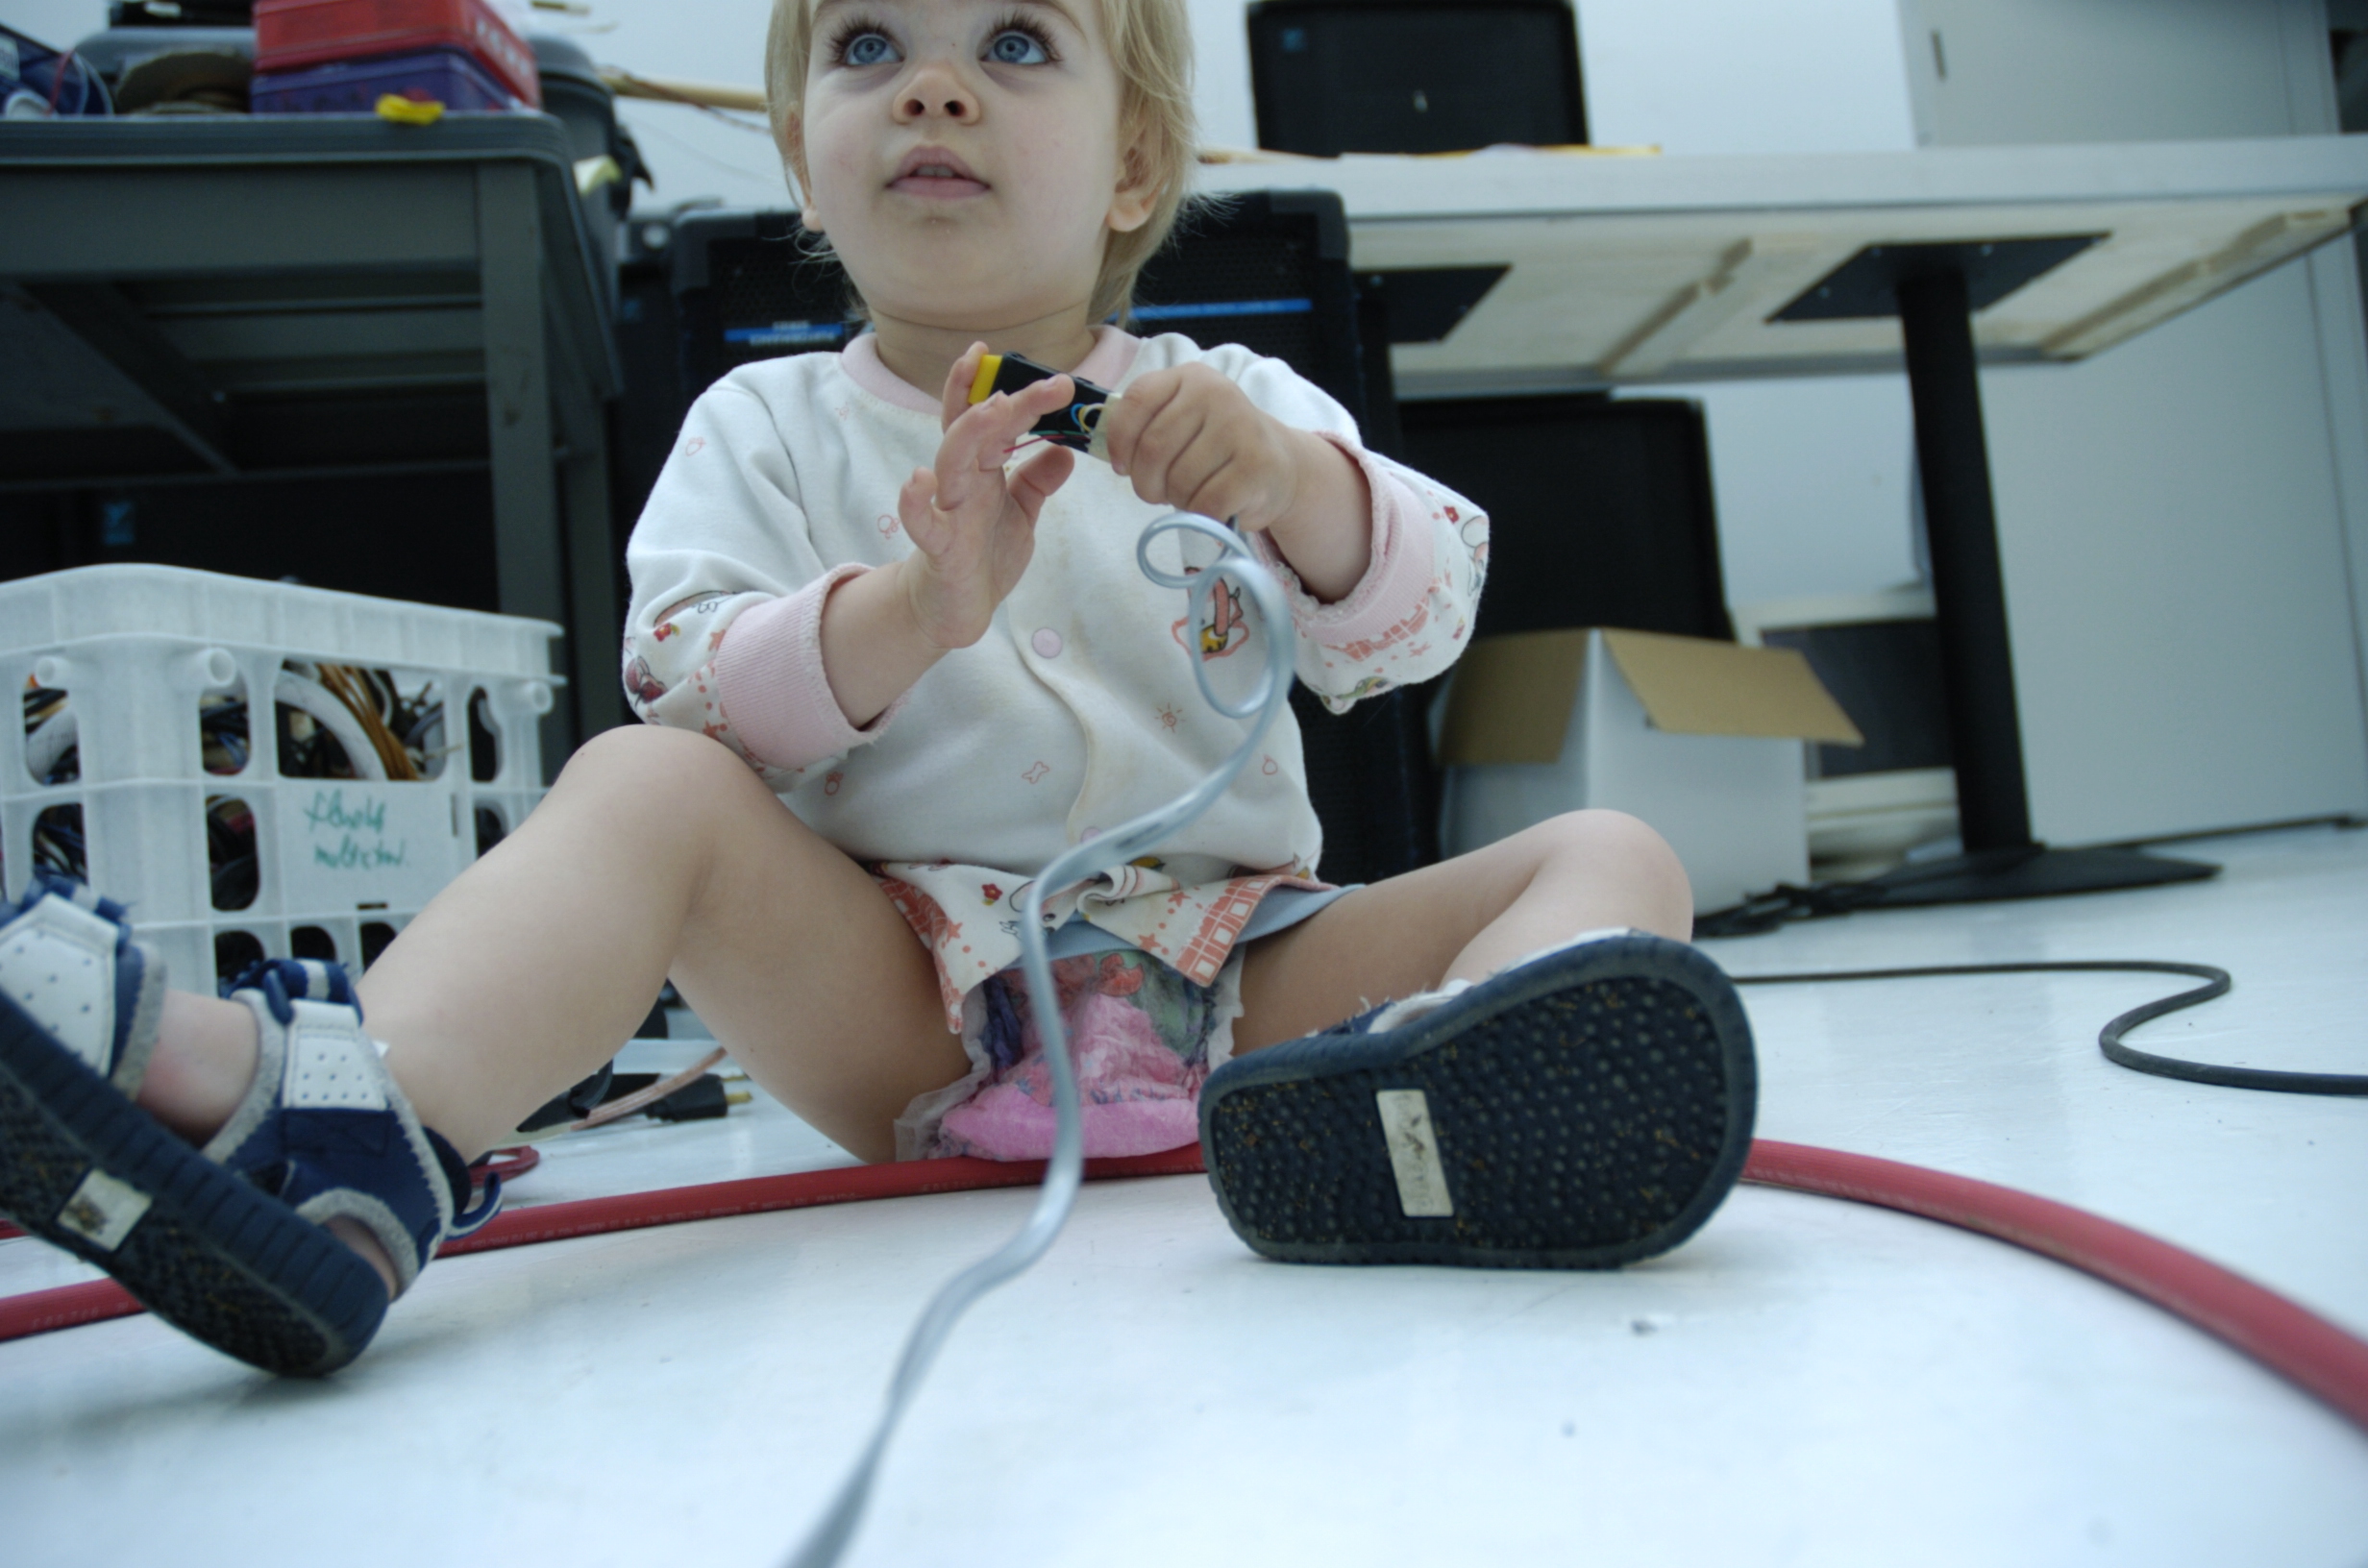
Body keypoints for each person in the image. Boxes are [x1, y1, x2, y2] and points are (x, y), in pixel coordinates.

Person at [0, 0, 1754, 1377]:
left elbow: (1419, 619)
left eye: (1014, 44)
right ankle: (348, 1134)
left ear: (1135, 164)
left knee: (1613, 855)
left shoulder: (1231, 404)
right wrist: (909, 612)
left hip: (1248, 984)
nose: (931, 88)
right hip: (913, 996)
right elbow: (689, 693)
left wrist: (1302, 490)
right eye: (865, 48)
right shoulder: (760, 428)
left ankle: (1429, 1113)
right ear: (801, 155)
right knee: (642, 784)